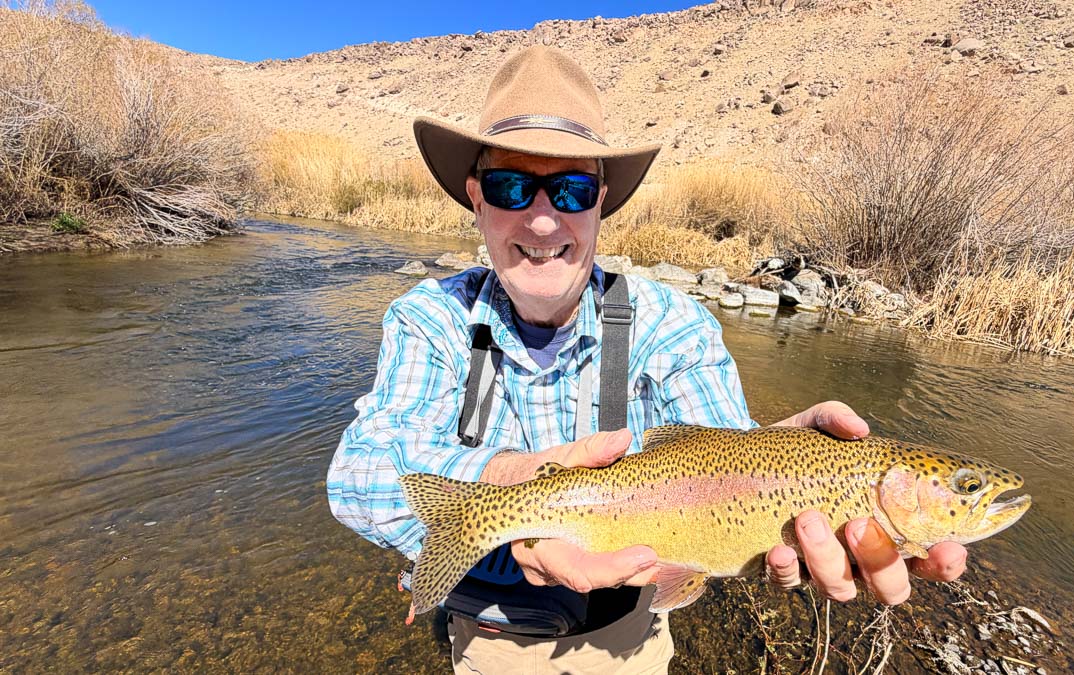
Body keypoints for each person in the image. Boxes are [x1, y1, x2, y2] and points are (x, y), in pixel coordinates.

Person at [326, 46, 967, 674]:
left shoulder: (675, 323)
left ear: (601, 200)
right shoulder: (429, 317)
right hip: (494, 634)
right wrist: (512, 476)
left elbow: (725, 456)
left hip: (631, 634)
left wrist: (777, 463)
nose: (544, 221)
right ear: (476, 197)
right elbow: (358, 476)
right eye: (512, 186)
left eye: (572, 190)